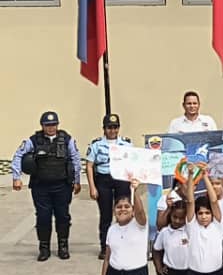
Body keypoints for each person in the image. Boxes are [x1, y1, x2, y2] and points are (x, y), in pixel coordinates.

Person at [12, 111, 81, 261]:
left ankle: (63, 246)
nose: (51, 128)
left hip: (62, 185)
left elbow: (75, 159)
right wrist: (16, 177)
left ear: (58, 124)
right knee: (43, 217)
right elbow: (18, 155)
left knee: (63, 217)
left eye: (53, 124)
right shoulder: (33, 140)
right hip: (40, 186)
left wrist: (77, 181)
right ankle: (44, 248)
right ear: (42, 126)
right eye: (47, 125)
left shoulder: (67, 139)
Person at [86, 114, 133, 260]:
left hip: (121, 179)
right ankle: (105, 247)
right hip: (104, 180)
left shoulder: (126, 144)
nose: (112, 130)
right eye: (109, 127)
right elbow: (89, 165)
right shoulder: (96, 145)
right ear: (104, 129)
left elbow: (133, 162)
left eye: (115, 127)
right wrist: (92, 187)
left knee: (124, 213)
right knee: (106, 215)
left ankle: (124, 245)